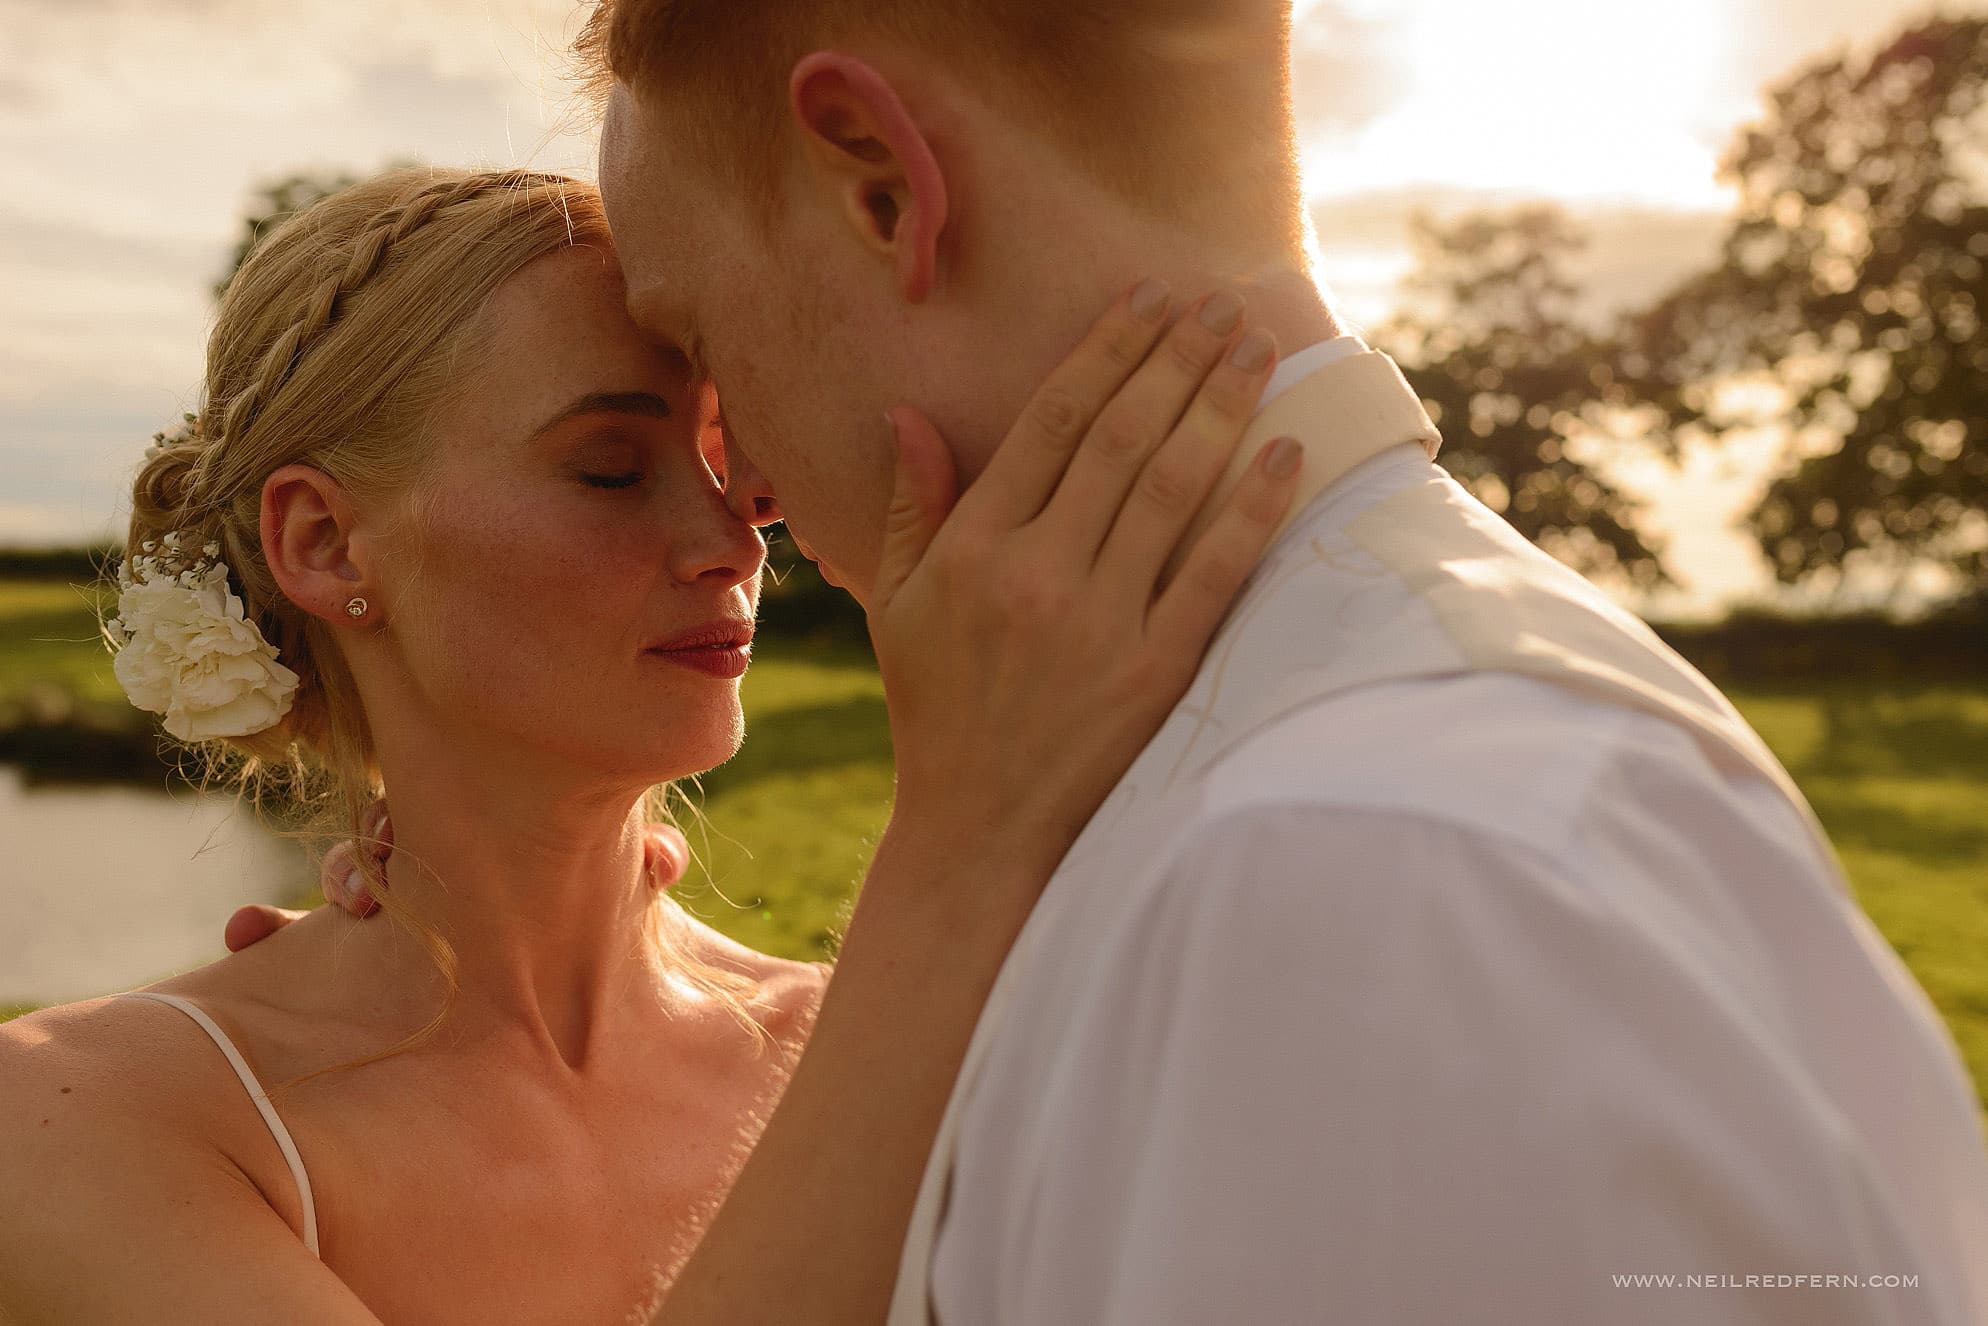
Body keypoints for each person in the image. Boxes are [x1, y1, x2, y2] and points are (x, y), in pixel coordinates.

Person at [560, 1, 1988, 1322]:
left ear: (885, 186)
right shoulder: (1342, 766)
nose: (738, 479)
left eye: (705, 339)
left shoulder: (1360, 875)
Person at [0, 166, 1305, 1322]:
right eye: (612, 468)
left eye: (732, 465)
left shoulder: (865, 1047)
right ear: (328, 543)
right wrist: (960, 846)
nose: (732, 541)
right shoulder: (92, 1116)